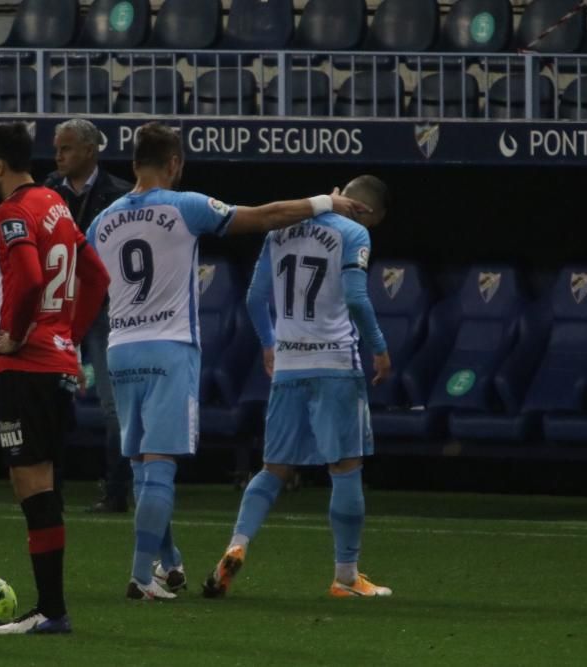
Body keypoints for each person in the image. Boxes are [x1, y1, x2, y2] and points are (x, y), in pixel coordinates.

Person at [87, 121, 367, 600]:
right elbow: (263, 216)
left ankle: (168, 564)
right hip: (169, 347)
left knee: (139, 465)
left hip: (120, 348)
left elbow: (87, 287)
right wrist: (326, 203)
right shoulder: (185, 206)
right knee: (159, 466)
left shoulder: (101, 221)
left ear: (134, 163)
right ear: (174, 164)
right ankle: (139, 576)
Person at [202, 175, 394, 600]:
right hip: (335, 364)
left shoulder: (281, 228)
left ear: (342, 191)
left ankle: (238, 543)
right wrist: (379, 349)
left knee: (273, 469)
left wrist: (270, 345)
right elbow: (358, 299)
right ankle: (346, 576)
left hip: (289, 363)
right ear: (372, 213)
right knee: (345, 468)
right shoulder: (353, 232)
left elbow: (255, 298)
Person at [0, 121, 110, 635]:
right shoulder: (57, 205)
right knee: (43, 483)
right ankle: (52, 607)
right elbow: (96, 275)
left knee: (31, 486)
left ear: (0, 166)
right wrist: (66, 334)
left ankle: (51, 610)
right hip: (55, 365)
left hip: (24, 369)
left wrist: (17, 331)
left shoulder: (12, 211)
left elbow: (27, 277)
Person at [44, 118, 133, 514]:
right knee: (50, 403)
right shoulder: (46, 191)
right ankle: (49, 491)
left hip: (102, 313)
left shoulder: (119, 195)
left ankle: (116, 492)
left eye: (66, 149)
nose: (58, 156)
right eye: (57, 148)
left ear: (90, 150)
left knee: (114, 408)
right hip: (56, 311)